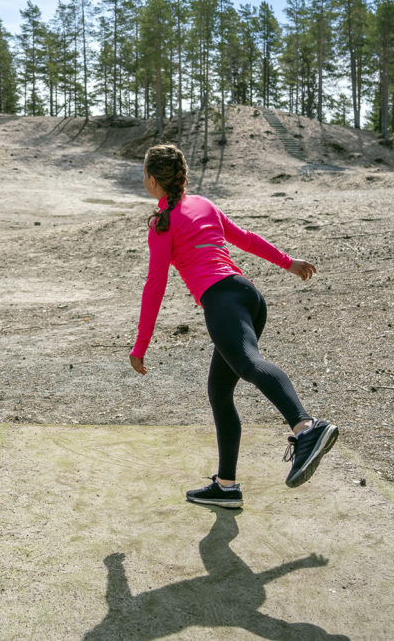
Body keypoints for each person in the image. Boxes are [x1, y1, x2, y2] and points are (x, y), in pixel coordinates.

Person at [129, 144, 338, 509]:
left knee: (248, 363)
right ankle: (226, 486)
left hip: (221, 302)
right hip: (248, 298)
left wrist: (140, 345)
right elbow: (245, 239)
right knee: (220, 392)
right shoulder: (203, 204)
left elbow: (155, 287)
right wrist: (288, 263)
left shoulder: (162, 224)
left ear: (151, 180)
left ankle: (307, 428)